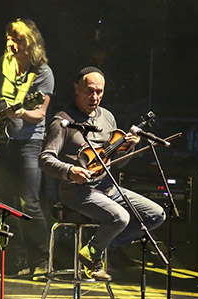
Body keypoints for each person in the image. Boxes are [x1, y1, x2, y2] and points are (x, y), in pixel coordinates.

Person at [39, 66, 166, 280]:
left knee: (156, 214)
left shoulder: (107, 117)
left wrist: (131, 148)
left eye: (99, 92)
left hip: (108, 188)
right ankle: (95, 251)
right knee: (120, 217)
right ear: (76, 88)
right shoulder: (63, 121)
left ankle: (97, 248)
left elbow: (118, 164)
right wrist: (70, 171)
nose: (94, 96)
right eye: (89, 91)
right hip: (77, 191)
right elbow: (45, 159)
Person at [0, 18, 54, 277]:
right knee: (6, 204)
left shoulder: (43, 72)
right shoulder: (3, 63)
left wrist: (20, 112)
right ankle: (18, 259)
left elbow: (39, 114)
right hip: (1, 141)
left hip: (29, 142)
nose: (10, 43)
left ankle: (42, 259)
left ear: (29, 41)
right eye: (8, 38)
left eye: (15, 38)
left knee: (30, 202)